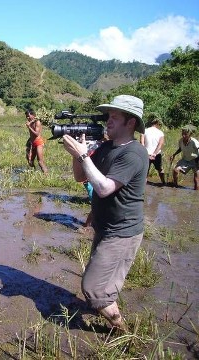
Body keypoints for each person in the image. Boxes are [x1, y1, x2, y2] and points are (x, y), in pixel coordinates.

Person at [62, 95, 148, 332]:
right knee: (104, 283)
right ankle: (110, 307)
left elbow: (104, 188)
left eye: (114, 117)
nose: (108, 121)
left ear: (130, 123)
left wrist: (82, 155)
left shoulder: (134, 153)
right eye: (108, 116)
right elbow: (81, 177)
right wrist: (79, 156)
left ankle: (122, 328)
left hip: (122, 232)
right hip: (106, 228)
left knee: (93, 288)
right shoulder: (107, 147)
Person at [169, 125, 199, 190]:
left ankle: (196, 193)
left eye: (185, 134)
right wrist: (174, 154)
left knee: (196, 180)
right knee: (175, 170)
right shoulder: (181, 141)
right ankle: (175, 186)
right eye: (182, 134)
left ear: (189, 135)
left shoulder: (194, 142)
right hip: (185, 159)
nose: (183, 136)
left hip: (195, 160)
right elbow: (180, 149)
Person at [140, 117, 166, 185]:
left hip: (146, 154)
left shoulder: (144, 131)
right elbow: (160, 145)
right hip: (157, 155)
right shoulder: (161, 133)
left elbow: (142, 144)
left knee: (145, 172)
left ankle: (142, 189)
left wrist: (147, 154)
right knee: (160, 169)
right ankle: (164, 183)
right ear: (157, 124)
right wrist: (154, 154)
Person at [25, 109, 48, 173]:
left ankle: (46, 175)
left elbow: (37, 134)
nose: (27, 118)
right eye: (26, 116)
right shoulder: (30, 122)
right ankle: (35, 171)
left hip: (39, 143)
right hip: (32, 143)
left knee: (40, 161)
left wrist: (29, 127)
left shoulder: (37, 122)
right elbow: (31, 135)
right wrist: (29, 142)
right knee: (30, 161)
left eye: (28, 116)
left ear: (33, 115)